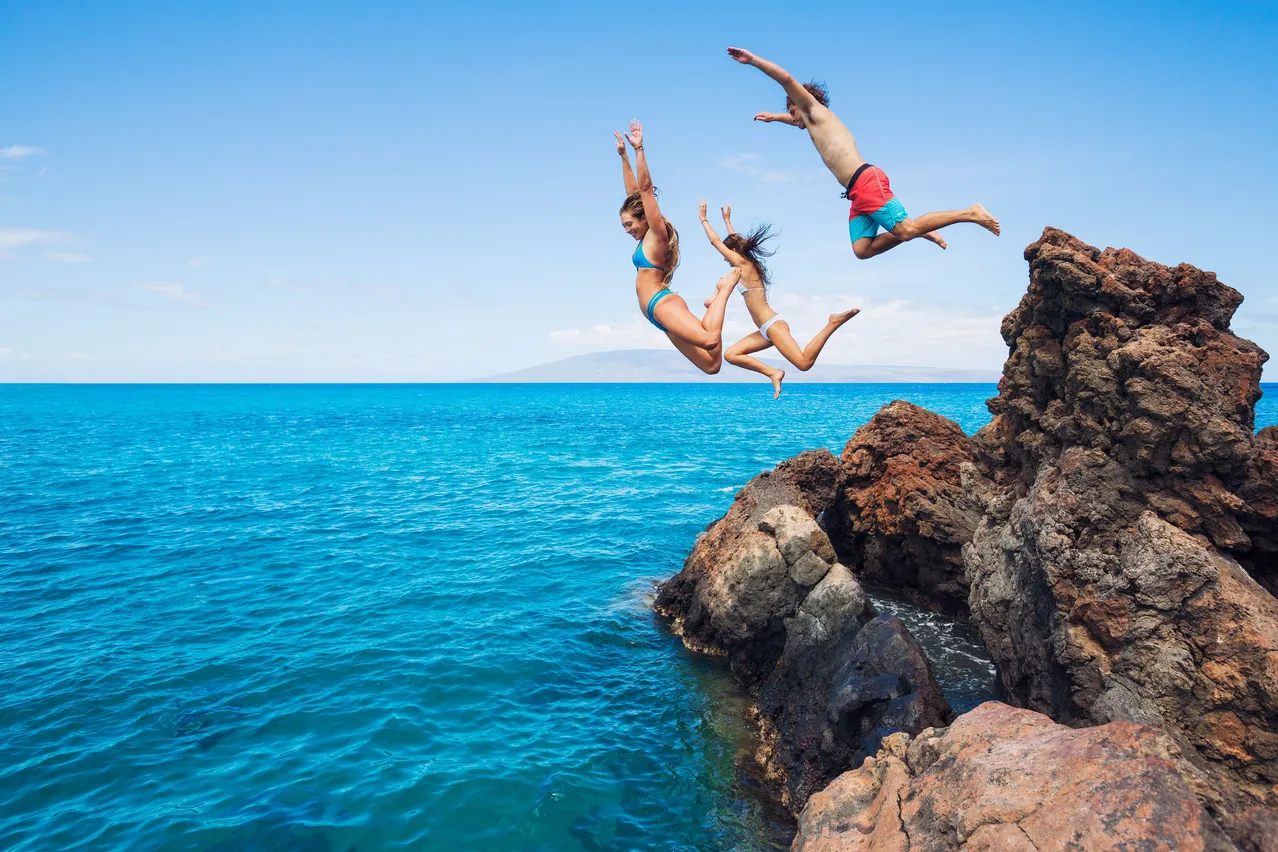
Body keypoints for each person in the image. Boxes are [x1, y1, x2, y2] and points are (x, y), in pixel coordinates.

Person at [727, 47, 1000, 260]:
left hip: (867, 181)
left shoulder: (814, 111)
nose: (792, 117)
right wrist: (775, 118)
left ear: (799, 104)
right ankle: (917, 230)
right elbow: (796, 122)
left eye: (791, 110)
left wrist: (752, 60)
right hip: (856, 193)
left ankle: (970, 213)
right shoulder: (811, 121)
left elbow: (786, 79)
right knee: (862, 249)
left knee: (906, 230)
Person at [699, 201, 859, 398]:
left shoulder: (744, 264)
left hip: (773, 325)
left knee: (803, 363)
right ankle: (774, 373)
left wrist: (704, 219)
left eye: (727, 254)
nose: (724, 259)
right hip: (764, 330)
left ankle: (832, 322)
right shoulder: (742, 266)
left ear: (734, 253)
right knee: (731, 355)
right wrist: (727, 221)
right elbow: (735, 243)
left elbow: (715, 242)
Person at [616, 120, 737, 374]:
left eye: (629, 225)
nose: (627, 231)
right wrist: (624, 158)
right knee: (712, 365)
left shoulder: (656, 235)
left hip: (662, 304)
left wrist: (639, 150)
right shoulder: (645, 236)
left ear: (644, 218)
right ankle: (714, 300)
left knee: (710, 340)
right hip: (656, 315)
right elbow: (634, 195)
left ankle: (723, 290)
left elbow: (646, 191)